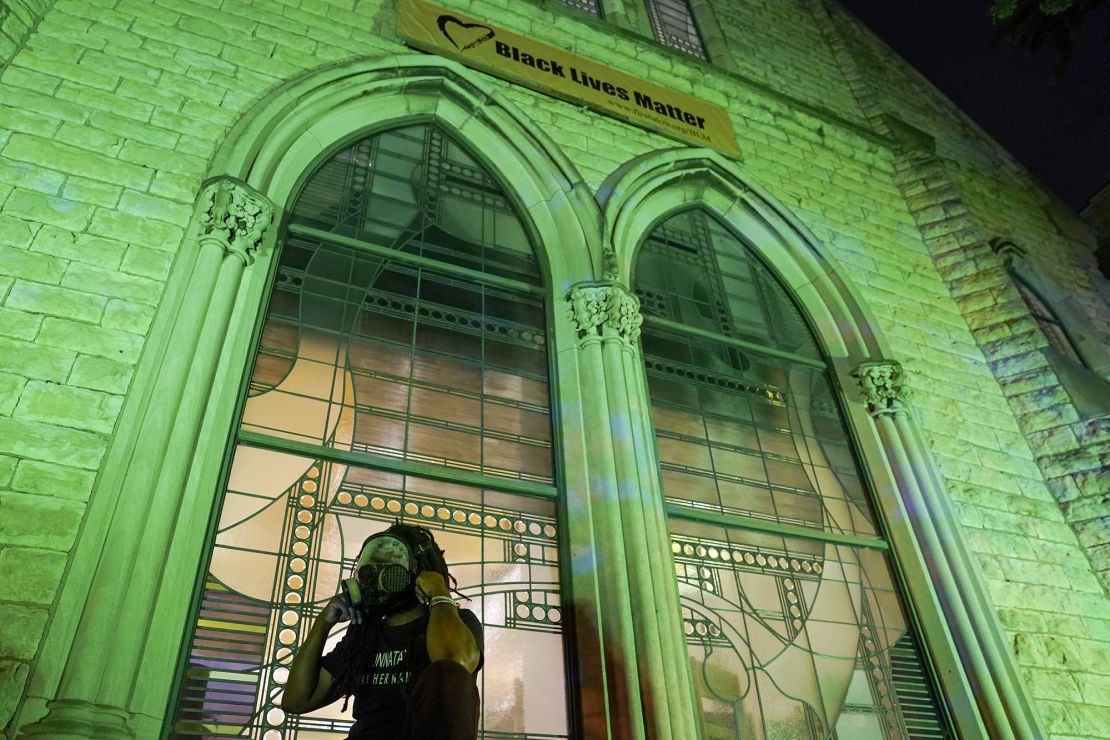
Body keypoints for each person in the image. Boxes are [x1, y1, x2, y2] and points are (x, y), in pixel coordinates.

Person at [282, 523, 483, 739]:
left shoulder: (457, 622)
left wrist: (439, 593)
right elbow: (296, 701)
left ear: (420, 571)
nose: (374, 577)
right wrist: (323, 623)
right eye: (370, 569)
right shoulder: (363, 636)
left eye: (389, 566)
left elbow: (454, 664)